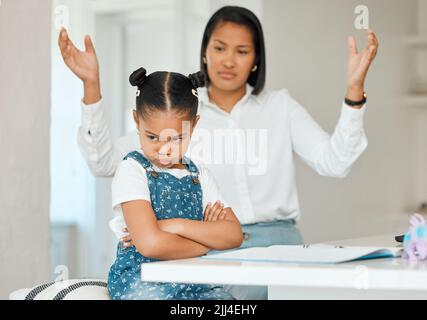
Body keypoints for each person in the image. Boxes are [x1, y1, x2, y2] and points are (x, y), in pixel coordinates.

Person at [58, 6, 379, 299]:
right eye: (219, 48)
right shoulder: (175, 115)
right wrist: (91, 88)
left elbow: (335, 163)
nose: (228, 60)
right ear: (205, 53)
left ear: (255, 59)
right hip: (206, 250)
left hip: (275, 243)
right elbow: (102, 162)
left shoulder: (280, 106)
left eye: (242, 51)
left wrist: (354, 92)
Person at [107, 67, 242, 300]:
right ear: (136, 120)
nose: (164, 149)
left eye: (177, 138)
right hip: (142, 280)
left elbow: (232, 235)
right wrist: (206, 244)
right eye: (152, 137)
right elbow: (150, 244)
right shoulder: (132, 169)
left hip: (194, 281)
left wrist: (173, 225)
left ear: (194, 124)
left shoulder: (199, 175)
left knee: (228, 302)